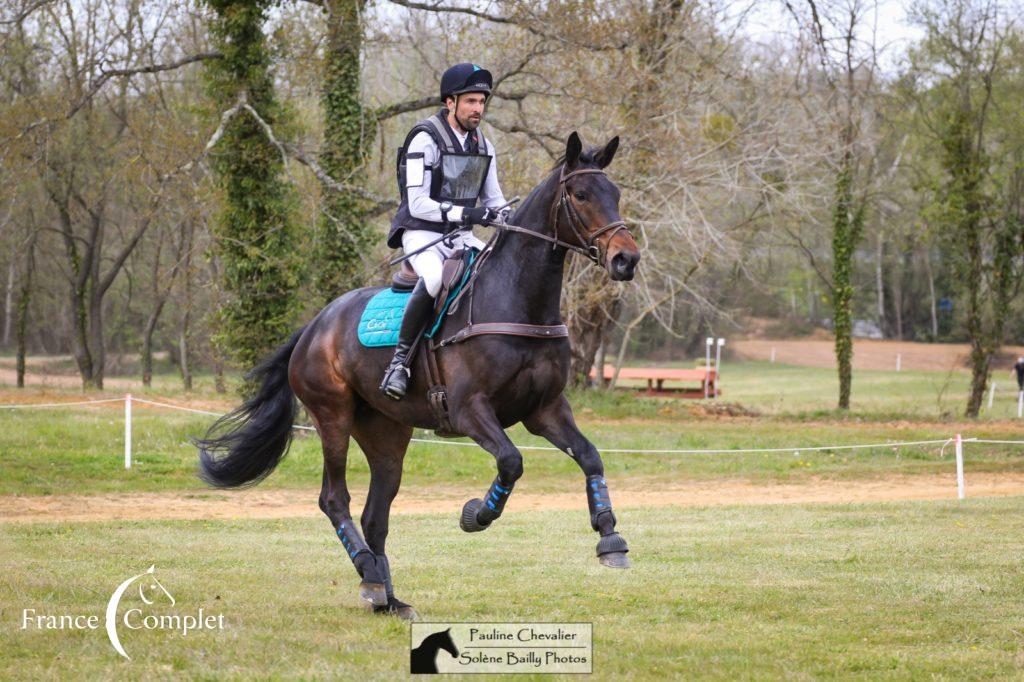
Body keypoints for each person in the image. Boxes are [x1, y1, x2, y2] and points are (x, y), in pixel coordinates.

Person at [380, 63, 508, 400]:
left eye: (481, 101)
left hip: (459, 236)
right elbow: (418, 202)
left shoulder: (484, 146)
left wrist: (511, 219)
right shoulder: (425, 138)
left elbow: (494, 200)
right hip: (421, 232)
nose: (478, 109)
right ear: (450, 102)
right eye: (471, 101)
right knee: (436, 279)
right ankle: (400, 363)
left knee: (497, 274)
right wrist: (469, 212)